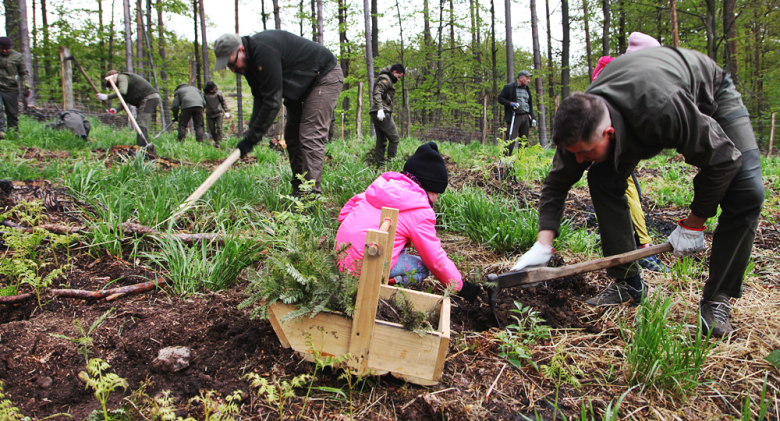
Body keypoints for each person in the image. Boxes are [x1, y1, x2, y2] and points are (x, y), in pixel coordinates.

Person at [510, 47, 764, 338]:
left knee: (748, 193)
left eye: (584, 152)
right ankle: (626, 283)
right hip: (642, 102)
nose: (578, 160)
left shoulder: (660, 109)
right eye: (574, 153)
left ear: (609, 134)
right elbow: (557, 183)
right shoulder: (580, 121)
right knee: (602, 179)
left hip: (709, 93)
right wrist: (543, 243)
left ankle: (717, 298)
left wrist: (694, 224)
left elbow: (722, 160)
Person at [335, 142, 481, 302]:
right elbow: (435, 260)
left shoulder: (376, 190)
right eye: (437, 193)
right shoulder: (420, 211)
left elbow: (344, 215)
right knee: (423, 268)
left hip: (339, 260)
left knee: (398, 247)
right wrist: (460, 287)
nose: (437, 198)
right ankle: (383, 288)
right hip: (364, 270)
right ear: (429, 187)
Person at [213, 30, 343, 196]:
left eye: (232, 63)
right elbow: (260, 98)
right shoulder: (249, 65)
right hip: (299, 87)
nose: (232, 69)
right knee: (292, 136)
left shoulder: (263, 51)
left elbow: (273, 102)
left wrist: (252, 138)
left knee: (310, 134)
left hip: (324, 77)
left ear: (241, 49)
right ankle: (298, 193)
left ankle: (310, 198)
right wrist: (250, 134)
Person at [592, 32, 667, 273]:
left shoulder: (634, 74)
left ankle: (639, 247)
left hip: (624, 143)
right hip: (610, 141)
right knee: (623, 191)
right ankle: (640, 248)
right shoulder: (611, 69)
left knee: (629, 190)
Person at [98, 70, 161, 157]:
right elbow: (124, 101)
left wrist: (107, 97)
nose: (114, 86)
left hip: (149, 98)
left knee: (141, 122)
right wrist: (115, 110)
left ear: (113, 76)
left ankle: (142, 148)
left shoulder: (121, 77)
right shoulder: (125, 84)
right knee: (141, 122)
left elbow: (122, 91)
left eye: (112, 83)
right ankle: (143, 146)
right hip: (150, 98)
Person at [370, 64, 404, 165]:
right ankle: (391, 164)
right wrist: (380, 109)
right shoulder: (386, 79)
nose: (398, 80)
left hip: (377, 111)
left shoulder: (387, 78)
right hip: (381, 112)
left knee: (381, 140)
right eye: (399, 77)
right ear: (394, 72)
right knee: (394, 138)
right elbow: (377, 92)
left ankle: (380, 165)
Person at [497, 70, 537, 155]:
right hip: (514, 116)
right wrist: (511, 103)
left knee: (524, 141)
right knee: (511, 140)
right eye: (527, 78)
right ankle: (505, 160)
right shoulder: (509, 87)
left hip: (525, 116)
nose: (529, 80)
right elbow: (500, 98)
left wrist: (533, 118)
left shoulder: (527, 89)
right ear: (520, 78)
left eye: (529, 78)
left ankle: (521, 160)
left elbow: (530, 104)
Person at [0, 36, 31, 139]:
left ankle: (13, 133)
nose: (4, 50)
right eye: (1, 48)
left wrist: (26, 85)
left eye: (6, 48)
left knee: (12, 112)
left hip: (11, 88)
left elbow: (23, 73)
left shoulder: (17, 56)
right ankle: (1, 132)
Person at [204, 80, 229, 148]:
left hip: (219, 113)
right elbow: (203, 103)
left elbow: (223, 102)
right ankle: (216, 140)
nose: (211, 90)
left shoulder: (219, 93)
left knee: (219, 127)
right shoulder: (205, 94)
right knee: (212, 129)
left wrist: (226, 111)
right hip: (209, 114)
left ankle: (219, 142)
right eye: (210, 89)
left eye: (212, 89)